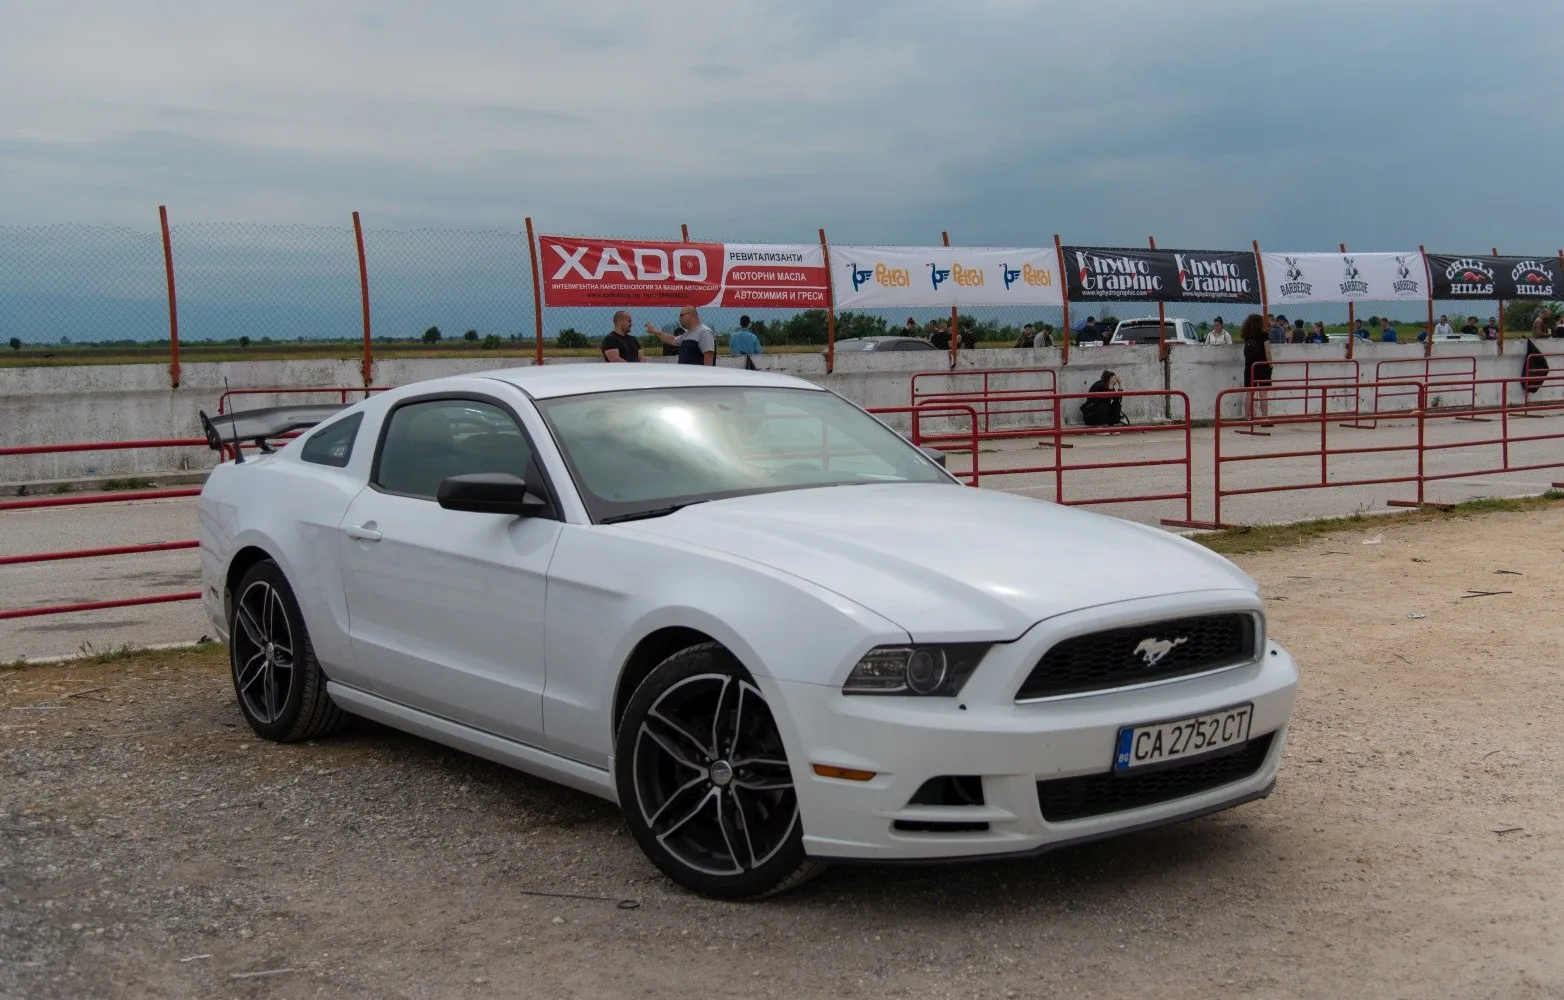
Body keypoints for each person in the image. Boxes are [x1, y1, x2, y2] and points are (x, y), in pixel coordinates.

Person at [647, 306, 716, 365]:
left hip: (696, 378)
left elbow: (709, 356)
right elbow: (673, 340)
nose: (679, 319)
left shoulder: (704, 332)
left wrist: (704, 378)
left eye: (681, 315)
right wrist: (655, 331)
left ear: (692, 314)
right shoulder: (687, 333)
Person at [1241, 313, 1272, 424]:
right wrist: (1270, 364)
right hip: (1263, 366)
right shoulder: (1264, 335)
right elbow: (1267, 351)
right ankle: (1264, 419)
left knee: (1249, 393)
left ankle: (1247, 417)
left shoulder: (1247, 335)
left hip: (1249, 367)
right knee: (1263, 394)